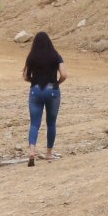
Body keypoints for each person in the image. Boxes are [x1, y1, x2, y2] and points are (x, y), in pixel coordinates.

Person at [23, 32, 67, 166]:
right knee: (51, 123)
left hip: (36, 90)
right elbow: (64, 74)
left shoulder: (31, 56)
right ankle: (49, 153)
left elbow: (25, 76)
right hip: (52, 90)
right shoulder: (56, 55)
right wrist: (57, 83)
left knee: (34, 124)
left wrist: (33, 81)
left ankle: (31, 151)